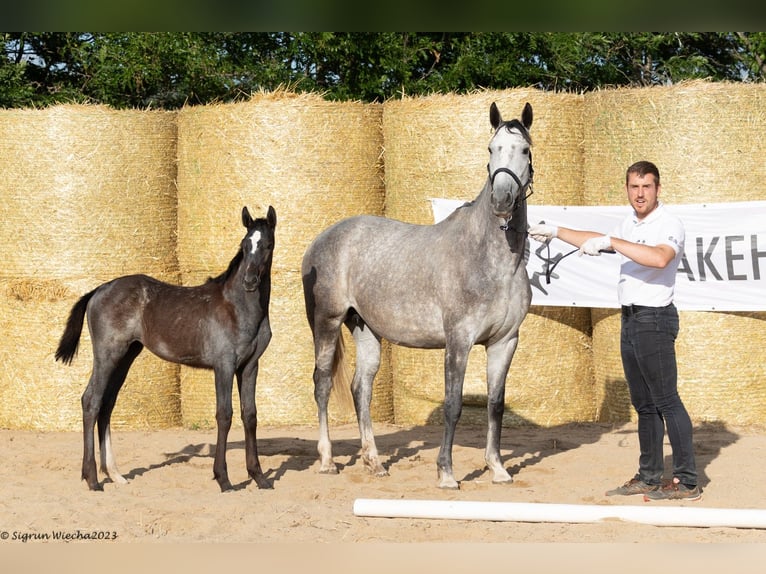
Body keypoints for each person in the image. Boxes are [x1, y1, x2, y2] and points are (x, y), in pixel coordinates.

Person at [528, 160, 701, 501]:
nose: (640, 194)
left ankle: (688, 480)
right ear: (627, 189)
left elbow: (659, 258)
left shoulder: (669, 223)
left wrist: (612, 241)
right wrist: (558, 231)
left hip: (654, 318)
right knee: (645, 405)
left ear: (658, 189)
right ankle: (650, 476)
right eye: (634, 187)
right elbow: (602, 240)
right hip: (631, 318)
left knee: (667, 400)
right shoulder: (628, 222)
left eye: (646, 187)